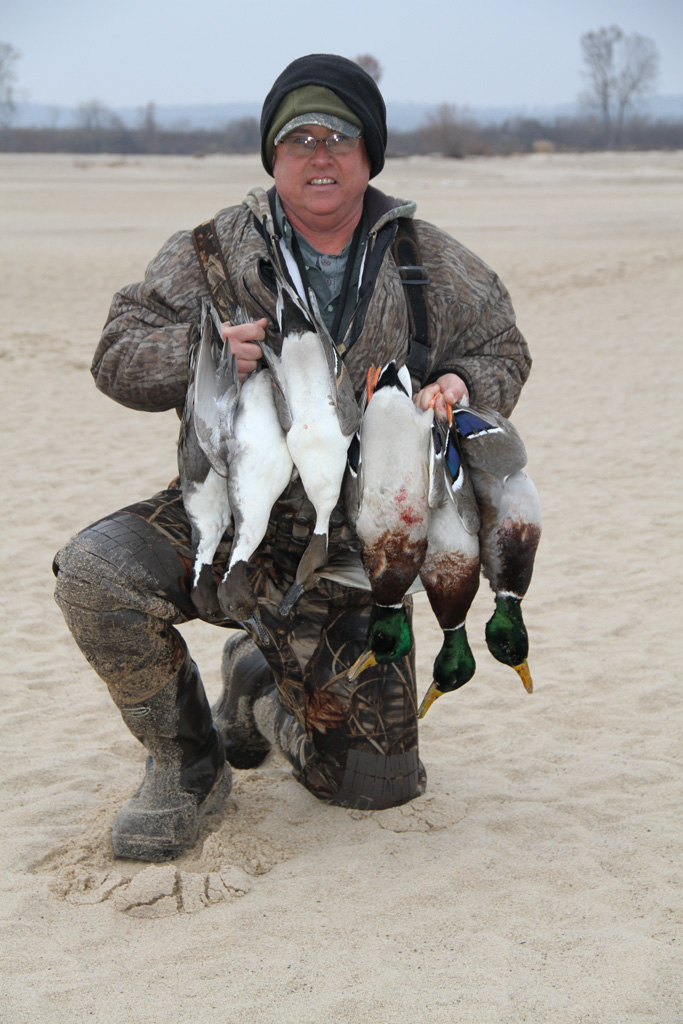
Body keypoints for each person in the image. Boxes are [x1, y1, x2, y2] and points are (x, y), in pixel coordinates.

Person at [53, 54, 531, 862]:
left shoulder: (428, 262)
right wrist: (200, 349)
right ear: (272, 155)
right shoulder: (211, 252)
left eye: (339, 138)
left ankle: (260, 690)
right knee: (95, 573)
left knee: (376, 788)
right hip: (227, 522)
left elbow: (502, 349)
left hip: (364, 547)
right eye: (298, 139)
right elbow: (115, 356)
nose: (319, 156)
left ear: (369, 153)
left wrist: (462, 381)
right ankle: (186, 762)